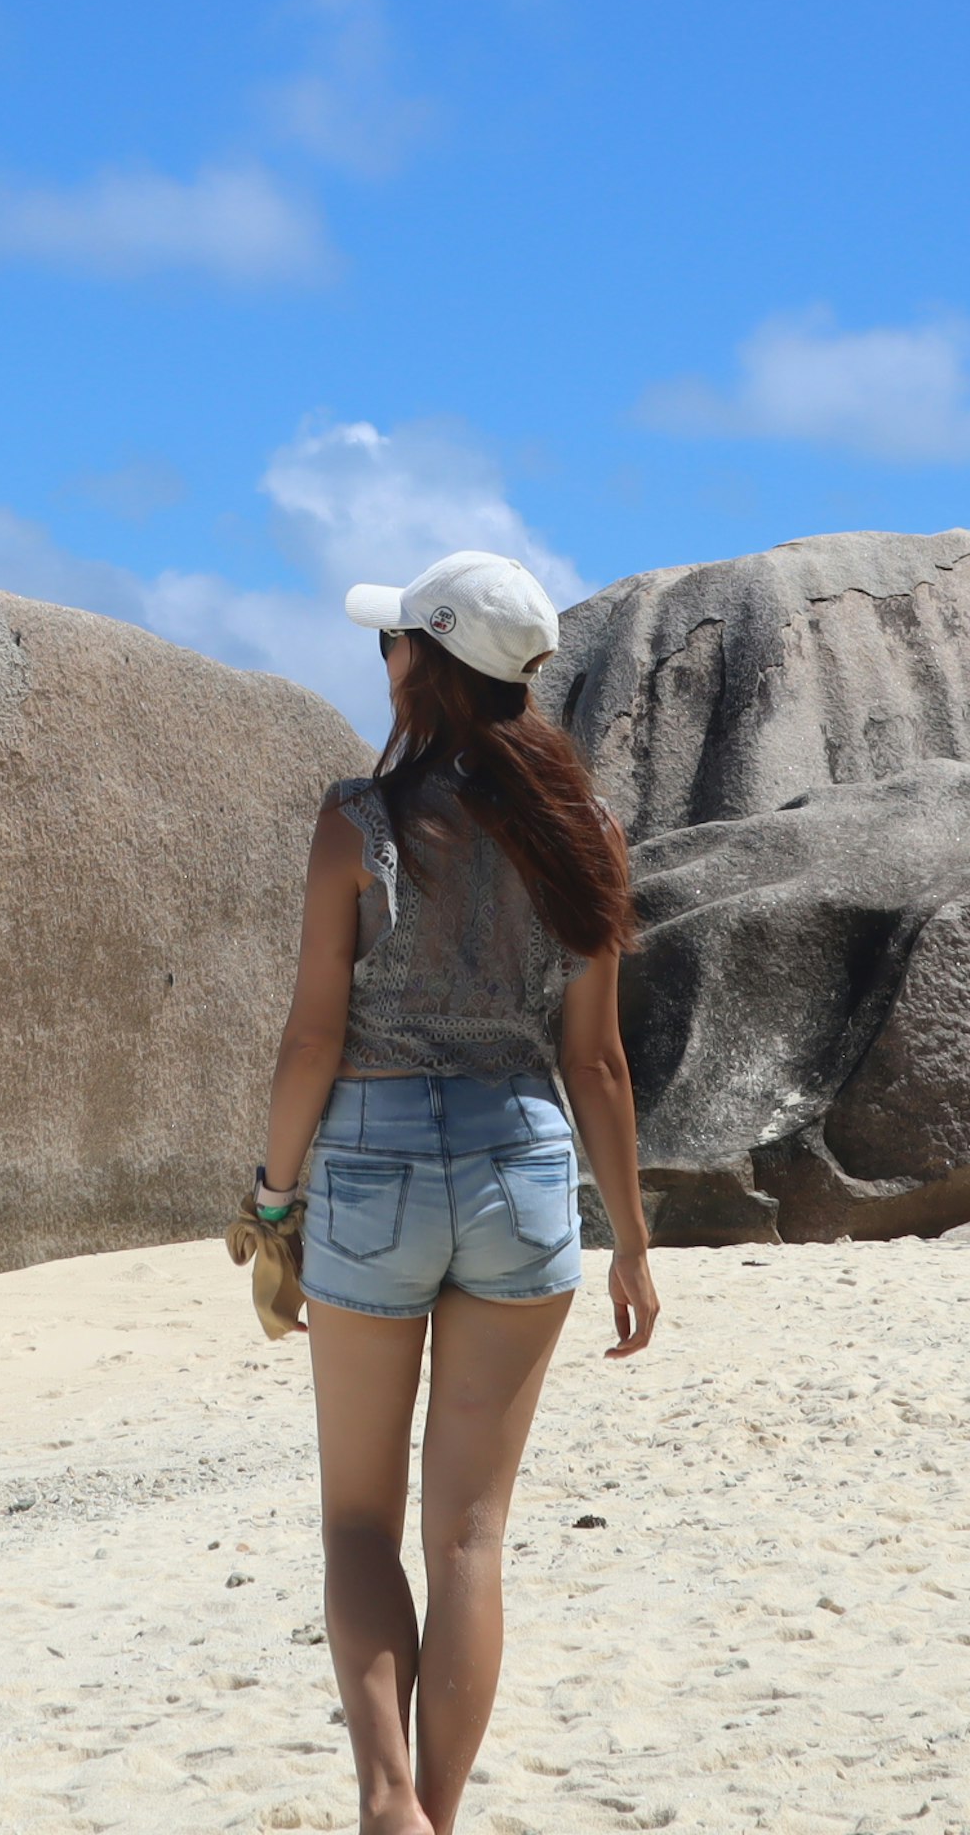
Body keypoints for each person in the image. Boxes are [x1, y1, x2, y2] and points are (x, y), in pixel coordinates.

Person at [247, 548, 660, 1835]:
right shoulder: (584, 835)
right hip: (524, 1169)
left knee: (359, 1519)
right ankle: (437, 1809)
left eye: (393, 643)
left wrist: (270, 1206)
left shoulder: (354, 824)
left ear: (425, 661)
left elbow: (312, 1038)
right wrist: (635, 1243)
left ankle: (384, 1803)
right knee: (469, 1537)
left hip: (370, 1163)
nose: (381, 660)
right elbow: (594, 1059)